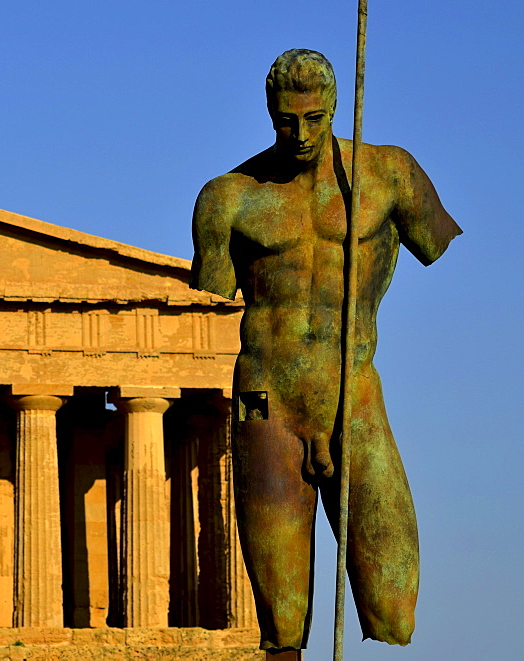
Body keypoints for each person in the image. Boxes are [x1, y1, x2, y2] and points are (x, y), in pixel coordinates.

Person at [189, 49, 461, 658]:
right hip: (266, 400)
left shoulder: (389, 175)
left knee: (395, 607)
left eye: (314, 118)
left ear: (336, 108)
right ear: (269, 114)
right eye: (288, 119)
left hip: (351, 392)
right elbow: (211, 296)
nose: (302, 133)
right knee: (282, 621)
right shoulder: (227, 199)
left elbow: (433, 242)